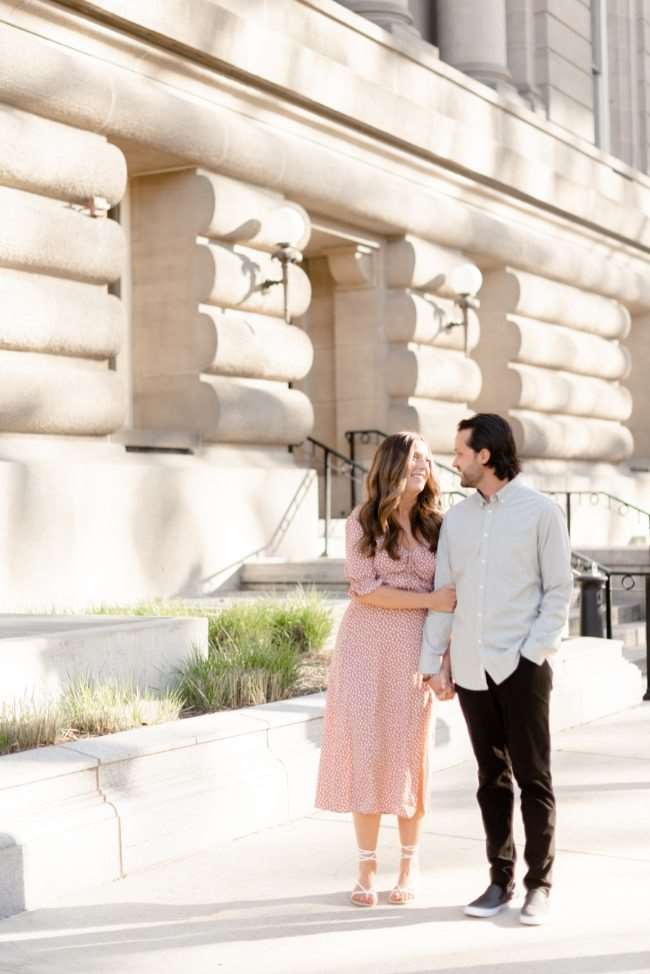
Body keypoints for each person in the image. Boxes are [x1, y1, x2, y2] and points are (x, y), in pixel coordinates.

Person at [420, 413, 573, 926]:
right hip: (470, 671)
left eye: (461, 452)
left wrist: (534, 653)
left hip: (522, 667)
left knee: (534, 778)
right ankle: (498, 880)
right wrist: (433, 664)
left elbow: (559, 590)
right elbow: (445, 595)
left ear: (485, 455)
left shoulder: (541, 512)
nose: (455, 461)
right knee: (491, 780)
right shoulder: (457, 521)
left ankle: (540, 885)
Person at [315, 432, 456, 907]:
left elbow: (453, 598)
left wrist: (445, 662)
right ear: (394, 464)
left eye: (430, 460)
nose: (426, 466)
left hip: (414, 653)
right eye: (417, 457)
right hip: (363, 648)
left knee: (409, 755)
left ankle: (410, 865)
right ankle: (366, 865)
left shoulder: (439, 525)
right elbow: (366, 589)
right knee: (366, 751)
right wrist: (430, 599)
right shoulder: (362, 521)